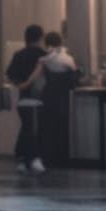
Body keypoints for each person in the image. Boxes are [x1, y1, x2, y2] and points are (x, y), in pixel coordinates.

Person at [4, 23, 48, 175]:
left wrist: (20, 85)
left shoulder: (18, 55)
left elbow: (10, 74)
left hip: (22, 99)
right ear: (41, 37)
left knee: (26, 128)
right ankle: (34, 158)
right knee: (34, 130)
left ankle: (23, 159)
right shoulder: (44, 55)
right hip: (39, 100)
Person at [35, 31, 79, 169]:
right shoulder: (67, 58)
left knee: (47, 128)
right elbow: (74, 78)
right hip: (63, 97)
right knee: (62, 127)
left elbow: (38, 78)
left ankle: (47, 157)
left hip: (47, 96)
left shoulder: (44, 59)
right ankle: (62, 158)